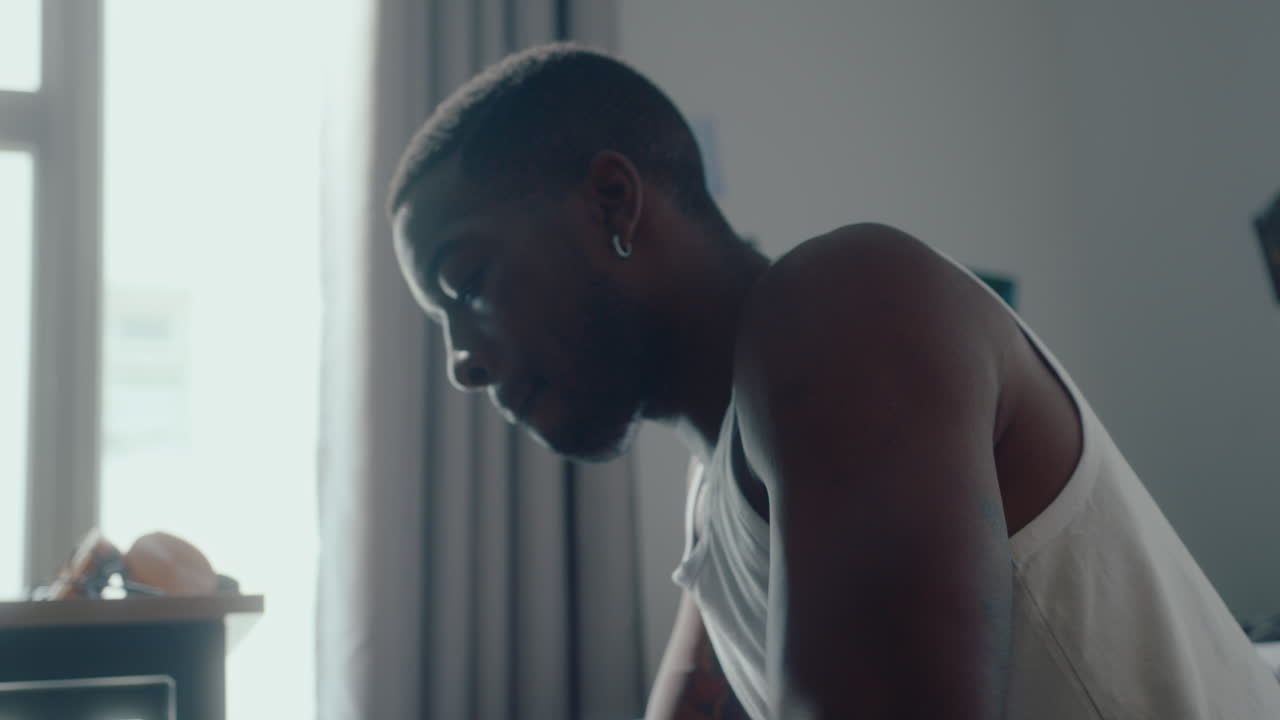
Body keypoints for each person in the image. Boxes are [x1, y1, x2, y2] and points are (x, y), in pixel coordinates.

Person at [385, 44, 1280, 719]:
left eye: (466, 284)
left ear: (613, 204)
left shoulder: (843, 310)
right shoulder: (722, 490)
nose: (462, 361)